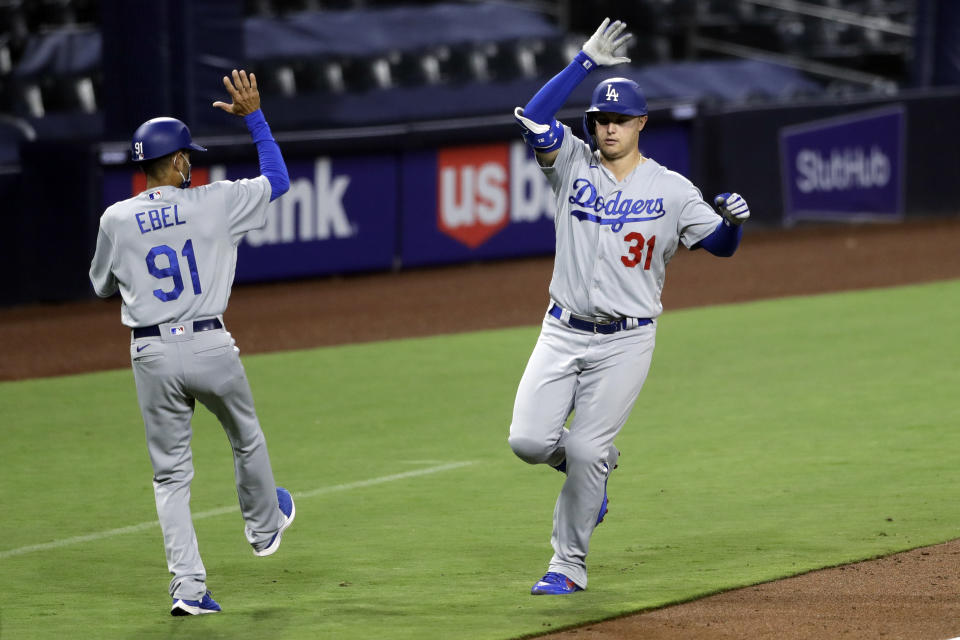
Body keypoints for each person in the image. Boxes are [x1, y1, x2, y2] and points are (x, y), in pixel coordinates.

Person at [508, 19, 751, 595]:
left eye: (618, 120)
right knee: (529, 442)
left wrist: (736, 227)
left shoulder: (672, 189)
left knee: (588, 447)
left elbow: (716, 245)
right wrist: (583, 63)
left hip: (626, 341)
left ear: (641, 123)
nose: (607, 127)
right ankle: (595, 468)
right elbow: (533, 117)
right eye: (599, 120)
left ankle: (566, 564)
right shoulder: (571, 163)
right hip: (561, 329)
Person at [89, 69, 295, 616]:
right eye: (189, 157)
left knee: (171, 475)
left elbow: (101, 285)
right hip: (208, 343)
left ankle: (188, 588)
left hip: (150, 353)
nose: (192, 164)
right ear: (177, 162)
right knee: (245, 437)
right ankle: (264, 529)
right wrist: (254, 117)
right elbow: (277, 178)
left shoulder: (115, 218)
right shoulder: (215, 200)